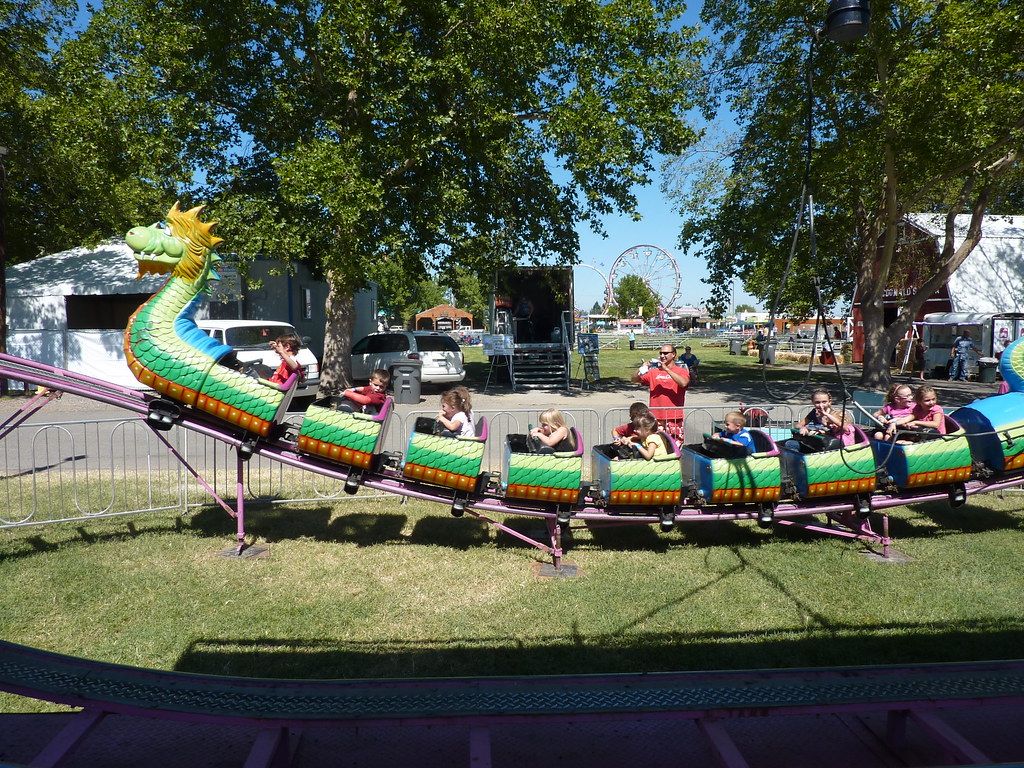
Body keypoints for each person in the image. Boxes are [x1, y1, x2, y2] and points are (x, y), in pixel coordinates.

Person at [631, 344, 690, 440]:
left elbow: (683, 383)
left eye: (666, 353)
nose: (662, 356)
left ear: (674, 354)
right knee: (656, 448)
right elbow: (634, 379)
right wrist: (641, 368)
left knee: (675, 448)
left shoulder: (681, 371)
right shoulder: (654, 372)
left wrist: (666, 369)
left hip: (673, 417)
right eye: (661, 353)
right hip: (655, 418)